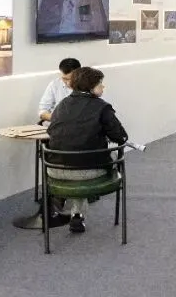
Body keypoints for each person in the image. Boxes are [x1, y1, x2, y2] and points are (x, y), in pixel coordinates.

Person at [46, 66, 128, 233]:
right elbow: (121, 137)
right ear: (91, 86)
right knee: (104, 157)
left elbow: (52, 131)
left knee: (78, 159)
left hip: (54, 169)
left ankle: (74, 211)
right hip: (88, 171)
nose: (103, 86)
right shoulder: (102, 107)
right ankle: (77, 214)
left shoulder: (62, 104)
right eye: (100, 83)